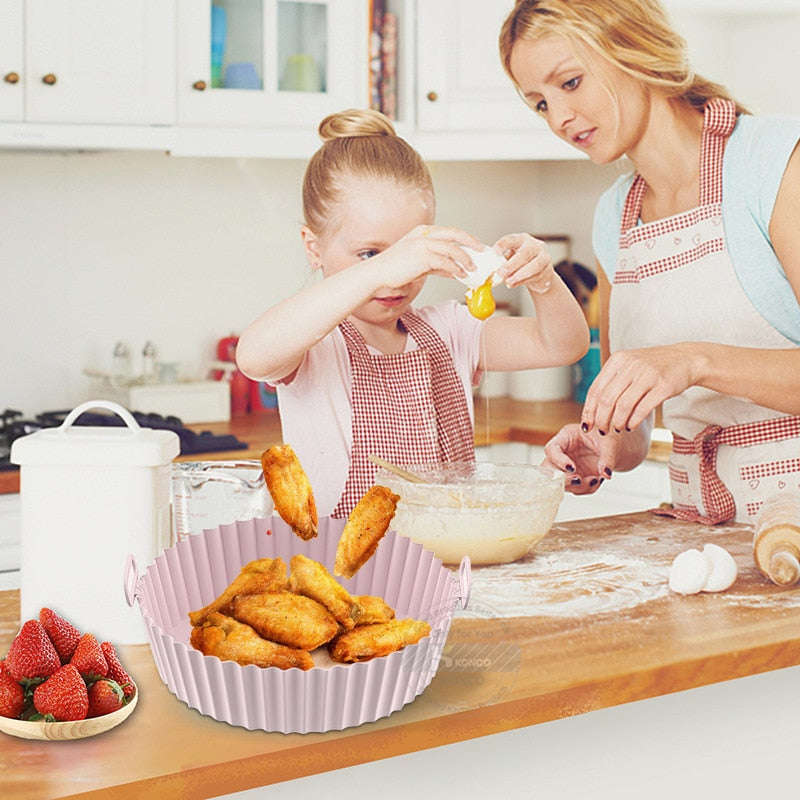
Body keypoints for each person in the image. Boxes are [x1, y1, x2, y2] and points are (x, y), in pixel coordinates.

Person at [499, 0, 800, 524]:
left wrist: (693, 361)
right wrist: (601, 443)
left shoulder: (774, 163)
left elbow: (682, 364)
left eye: (570, 82)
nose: (560, 118)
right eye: (541, 104)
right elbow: (635, 427)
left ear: (633, 48)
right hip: (702, 532)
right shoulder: (613, 216)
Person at [236, 108, 589, 517]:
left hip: (447, 549)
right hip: (340, 556)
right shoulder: (313, 343)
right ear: (314, 248)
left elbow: (563, 345)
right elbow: (253, 356)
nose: (397, 277)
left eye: (409, 253)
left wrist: (544, 280)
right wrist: (382, 269)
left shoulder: (451, 329)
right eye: (370, 254)